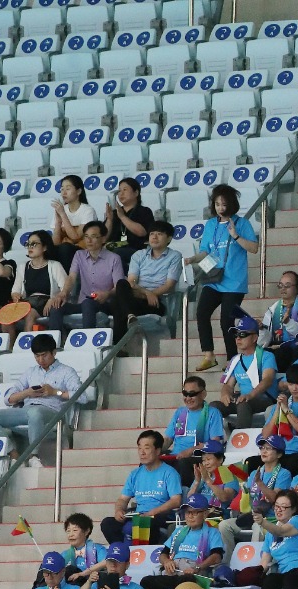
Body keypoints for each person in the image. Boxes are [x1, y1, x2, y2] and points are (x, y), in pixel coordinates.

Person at [188, 184, 259, 373]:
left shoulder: (242, 223)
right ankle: (209, 355)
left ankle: (231, 359)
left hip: (234, 282)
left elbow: (253, 248)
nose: (220, 208)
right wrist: (191, 259)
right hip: (214, 278)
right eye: (217, 204)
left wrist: (235, 236)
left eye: (224, 204)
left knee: (225, 321)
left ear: (232, 204)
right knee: (202, 312)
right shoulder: (211, 224)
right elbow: (205, 252)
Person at [0, 334, 81, 457]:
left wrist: (55, 392)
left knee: (35, 413)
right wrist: (27, 393)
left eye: (44, 355)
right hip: (27, 411)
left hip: (52, 413)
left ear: (54, 353)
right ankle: (13, 453)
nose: (40, 360)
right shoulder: (30, 372)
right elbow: (8, 399)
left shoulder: (66, 371)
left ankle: (34, 456)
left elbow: (81, 396)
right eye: (37, 356)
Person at [101, 429, 183, 545]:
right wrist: (119, 510)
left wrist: (153, 512)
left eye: (147, 448)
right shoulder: (135, 474)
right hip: (138, 515)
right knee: (107, 524)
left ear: (158, 450)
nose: (142, 452)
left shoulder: (169, 473)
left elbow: (176, 500)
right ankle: (122, 553)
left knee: (146, 523)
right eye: (139, 448)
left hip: (159, 516)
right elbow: (123, 499)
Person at [139, 493, 224, 589]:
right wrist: (167, 561)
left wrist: (197, 567)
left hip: (193, 573)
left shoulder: (212, 532)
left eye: (195, 512)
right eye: (188, 512)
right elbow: (163, 554)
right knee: (146, 581)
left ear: (205, 514)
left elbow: (217, 557)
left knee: (188, 580)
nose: (190, 516)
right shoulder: (178, 531)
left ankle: (177, 584)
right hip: (173, 572)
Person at [109, 221, 183, 344]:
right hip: (137, 298)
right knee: (122, 283)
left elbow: (169, 285)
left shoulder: (175, 256)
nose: (154, 237)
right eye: (152, 234)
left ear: (169, 238)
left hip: (156, 302)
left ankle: (119, 345)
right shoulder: (139, 255)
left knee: (117, 303)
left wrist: (150, 295)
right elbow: (131, 282)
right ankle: (130, 316)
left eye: (159, 234)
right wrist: (147, 293)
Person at [46, 221, 123, 334]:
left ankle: (87, 341)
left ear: (103, 239)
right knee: (56, 306)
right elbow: (72, 277)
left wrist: (107, 294)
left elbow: (119, 286)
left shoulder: (114, 258)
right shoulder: (79, 255)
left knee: (88, 303)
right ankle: (55, 344)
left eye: (93, 237)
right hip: (82, 303)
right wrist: (63, 293)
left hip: (105, 303)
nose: (89, 240)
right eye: (86, 237)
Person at [249, 490, 298, 589]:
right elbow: (264, 563)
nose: (278, 510)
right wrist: (253, 576)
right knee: (270, 579)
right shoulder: (269, 535)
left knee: (290, 578)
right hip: (287, 573)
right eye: (276, 506)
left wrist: (262, 522)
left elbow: (281, 531)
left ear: (294, 509)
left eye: (284, 507)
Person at [160, 375, 226, 483]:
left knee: (183, 463)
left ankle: (186, 495)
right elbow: (168, 439)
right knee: (149, 462)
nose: (188, 398)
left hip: (198, 456)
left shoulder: (213, 413)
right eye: (185, 394)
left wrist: (191, 450)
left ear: (203, 394)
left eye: (192, 394)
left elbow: (215, 443)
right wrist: (155, 450)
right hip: (176, 456)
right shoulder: (180, 412)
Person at [5, 229, 68, 338]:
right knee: (6, 317)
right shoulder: (22, 267)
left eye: (34, 244)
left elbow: (66, 290)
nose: (30, 247)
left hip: (47, 302)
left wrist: (53, 299)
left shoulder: (55, 265)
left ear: (45, 247)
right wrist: (15, 295)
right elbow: (15, 290)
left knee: (30, 314)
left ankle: (26, 346)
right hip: (27, 302)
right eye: (28, 244)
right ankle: (11, 347)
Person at [103, 176, 154, 271]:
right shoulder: (114, 213)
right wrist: (109, 220)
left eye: (125, 190)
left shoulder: (144, 211)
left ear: (136, 193)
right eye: (119, 191)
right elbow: (104, 237)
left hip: (136, 250)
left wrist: (122, 217)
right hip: (114, 248)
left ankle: (127, 279)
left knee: (115, 255)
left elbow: (142, 232)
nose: (121, 193)